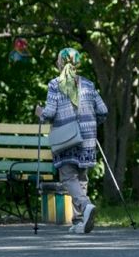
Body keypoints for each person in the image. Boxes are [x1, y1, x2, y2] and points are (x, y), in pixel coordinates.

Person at [35, 48, 108, 234]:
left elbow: (50, 113)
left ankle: (85, 205)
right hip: (87, 137)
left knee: (68, 176)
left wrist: (40, 113)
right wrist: (91, 123)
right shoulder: (88, 84)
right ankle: (79, 221)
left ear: (60, 63)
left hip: (66, 138)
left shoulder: (55, 84)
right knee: (81, 177)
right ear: (78, 64)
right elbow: (103, 111)